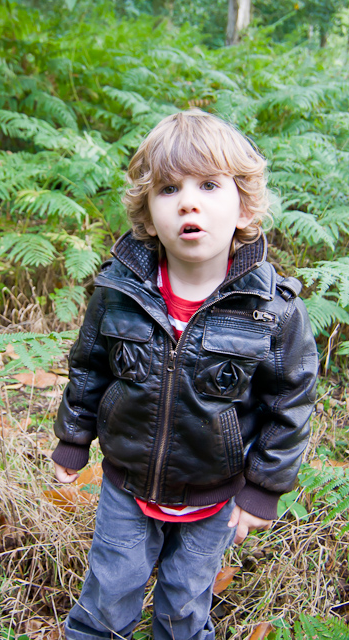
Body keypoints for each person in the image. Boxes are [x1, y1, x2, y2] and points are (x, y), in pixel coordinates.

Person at [52, 109, 318, 640]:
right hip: (128, 485)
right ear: (148, 216)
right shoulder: (118, 293)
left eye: (209, 185)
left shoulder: (271, 310)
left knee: (183, 612)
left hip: (213, 495)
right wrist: (73, 439)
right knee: (107, 598)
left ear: (243, 205)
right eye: (169, 189)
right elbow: (88, 367)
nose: (189, 202)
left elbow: (290, 401)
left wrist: (264, 487)